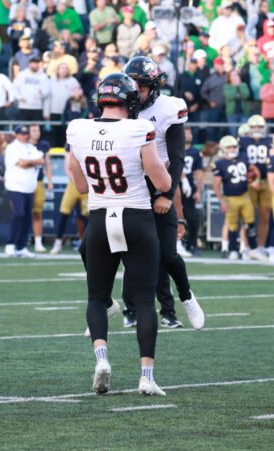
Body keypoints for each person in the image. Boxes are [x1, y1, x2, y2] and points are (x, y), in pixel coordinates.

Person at [68, 73, 171, 396]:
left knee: (97, 297)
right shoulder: (139, 128)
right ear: (130, 100)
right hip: (136, 217)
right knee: (143, 299)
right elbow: (164, 183)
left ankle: (101, 359)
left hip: (99, 217)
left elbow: (81, 185)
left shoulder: (78, 129)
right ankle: (146, 376)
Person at [123, 56, 205, 331]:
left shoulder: (169, 108)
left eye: (141, 86)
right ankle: (115, 306)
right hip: (131, 184)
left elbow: (177, 156)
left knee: (167, 253)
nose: (135, 91)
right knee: (127, 250)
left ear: (154, 87)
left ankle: (186, 296)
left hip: (160, 182)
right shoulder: (122, 106)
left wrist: (167, 195)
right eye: (131, 85)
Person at [213, 135, 267, 261]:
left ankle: (253, 249)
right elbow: (216, 185)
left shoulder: (243, 157)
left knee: (250, 223)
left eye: (234, 146)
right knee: (232, 225)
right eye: (229, 147)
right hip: (230, 198)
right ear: (223, 148)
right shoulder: (219, 163)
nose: (232, 149)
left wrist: (255, 180)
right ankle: (232, 250)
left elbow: (253, 169)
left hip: (245, 196)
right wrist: (221, 200)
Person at [3, 125, 44, 258]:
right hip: (15, 186)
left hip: (29, 187)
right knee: (19, 214)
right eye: (21, 133)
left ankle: (21, 247)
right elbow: (20, 163)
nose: (24, 135)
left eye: (26, 133)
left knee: (27, 218)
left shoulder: (31, 147)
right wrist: (33, 162)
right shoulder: (12, 147)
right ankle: (10, 244)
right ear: (16, 134)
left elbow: (41, 161)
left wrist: (28, 162)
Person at [239, 115, 272, 256]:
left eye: (259, 127)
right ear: (249, 128)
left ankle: (261, 246)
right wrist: (251, 180)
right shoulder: (243, 141)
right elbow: (239, 161)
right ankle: (246, 246)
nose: (257, 129)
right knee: (248, 216)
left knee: (265, 216)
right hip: (250, 182)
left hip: (266, 181)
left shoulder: (269, 140)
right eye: (254, 127)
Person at [50, 149, 88, 255]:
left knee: (87, 216)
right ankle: (57, 243)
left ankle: (86, 243)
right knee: (64, 212)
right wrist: (78, 180)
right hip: (74, 184)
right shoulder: (72, 143)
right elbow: (68, 168)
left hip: (87, 183)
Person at [28, 124, 52, 252]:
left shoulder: (43, 145)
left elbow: (47, 163)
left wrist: (50, 180)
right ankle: (22, 240)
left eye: (37, 130)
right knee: (22, 213)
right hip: (24, 182)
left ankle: (38, 241)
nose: (37, 132)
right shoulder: (23, 145)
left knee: (37, 212)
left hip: (38, 181)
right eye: (33, 130)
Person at [181, 127, 204, 256]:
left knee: (192, 218)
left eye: (190, 132)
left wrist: (199, 191)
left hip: (189, 189)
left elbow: (199, 172)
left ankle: (193, 243)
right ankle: (178, 243)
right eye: (186, 132)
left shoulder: (195, 152)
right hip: (174, 187)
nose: (188, 135)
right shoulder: (174, 148)